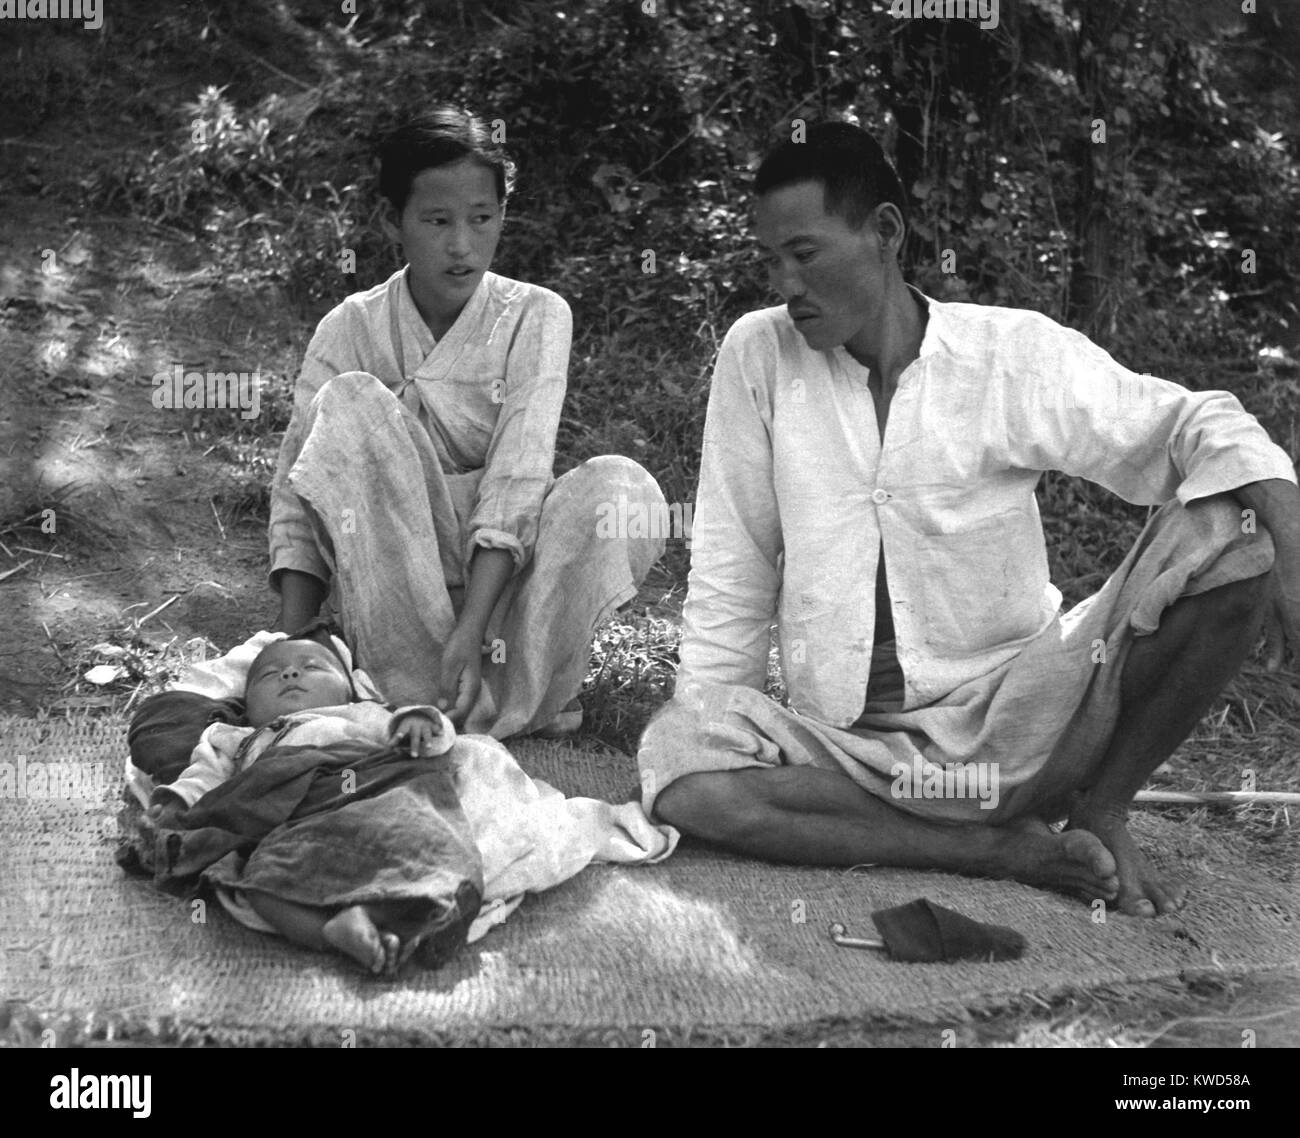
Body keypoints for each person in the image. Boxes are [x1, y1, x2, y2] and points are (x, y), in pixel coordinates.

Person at [637, 121, 1300, 918]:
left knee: (1235, 528)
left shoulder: (1005, 353)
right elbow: (731, 566)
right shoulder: (761, 354)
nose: (786, 284)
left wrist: (1290, 536)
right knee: (680, 767)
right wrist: (714, 723)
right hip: (853, 748)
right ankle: (994, 850)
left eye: (805, 254)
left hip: (1025, 718)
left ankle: (1100, 811)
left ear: (884, 232)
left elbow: (1189, 424)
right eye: (770, 261)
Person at [268, 107, 664, 737]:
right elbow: (298, 494)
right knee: (351, 401)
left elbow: (517, 478)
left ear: (503, 214)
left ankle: (480, 690)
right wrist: (286, 647)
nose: (462, 244)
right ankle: (448, 695)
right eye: (437, 221)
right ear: (390, 220)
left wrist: (474, 633)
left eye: (482, 219)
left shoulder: (537, 316)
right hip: (388, 606)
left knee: (622, 488)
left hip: (501, 611)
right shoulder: (350, 326)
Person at [147, 636, 479, 975]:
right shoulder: (234, 737)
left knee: (423, 832)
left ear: (348, 690)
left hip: (369, 795)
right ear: (246, 706)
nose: (290, 674)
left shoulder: (364, 713)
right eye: (269, 674)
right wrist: (180, 799)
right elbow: (206, 777)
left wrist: (418, 723)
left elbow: (431, 741)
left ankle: (383, 912)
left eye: (311, 667)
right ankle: (335, 929)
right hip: (295, 822)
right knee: (262, 880)